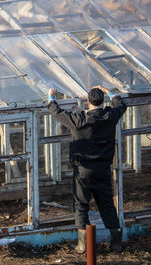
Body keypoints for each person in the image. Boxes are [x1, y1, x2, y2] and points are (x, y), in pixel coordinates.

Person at [48, 86, 127, 253]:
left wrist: (51, 97)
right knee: (106, 205)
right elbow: (121, 105)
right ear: (102, 101)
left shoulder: (79, 120)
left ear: (88, 102)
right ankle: (116, 243)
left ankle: (83, 245)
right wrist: (110, 92)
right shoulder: (110, 116)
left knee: (81, 205)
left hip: (82, 171)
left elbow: (57, 112)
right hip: (103, 170)